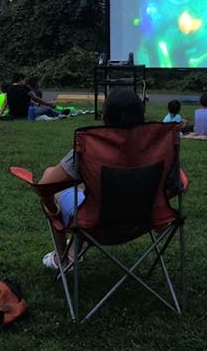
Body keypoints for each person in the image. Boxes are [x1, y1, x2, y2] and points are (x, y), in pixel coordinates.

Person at [37, 90, 186, 269]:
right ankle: (74, 250)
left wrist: (53, 211)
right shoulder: (159, 147)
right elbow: (180, 184)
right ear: (142, 115)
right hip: (144, 221)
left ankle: (64, 259)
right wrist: (156, 204)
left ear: (105, 118)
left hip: (94, 225)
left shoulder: (90, 148)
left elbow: (45, 186)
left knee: (55, 180)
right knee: (88, 189)